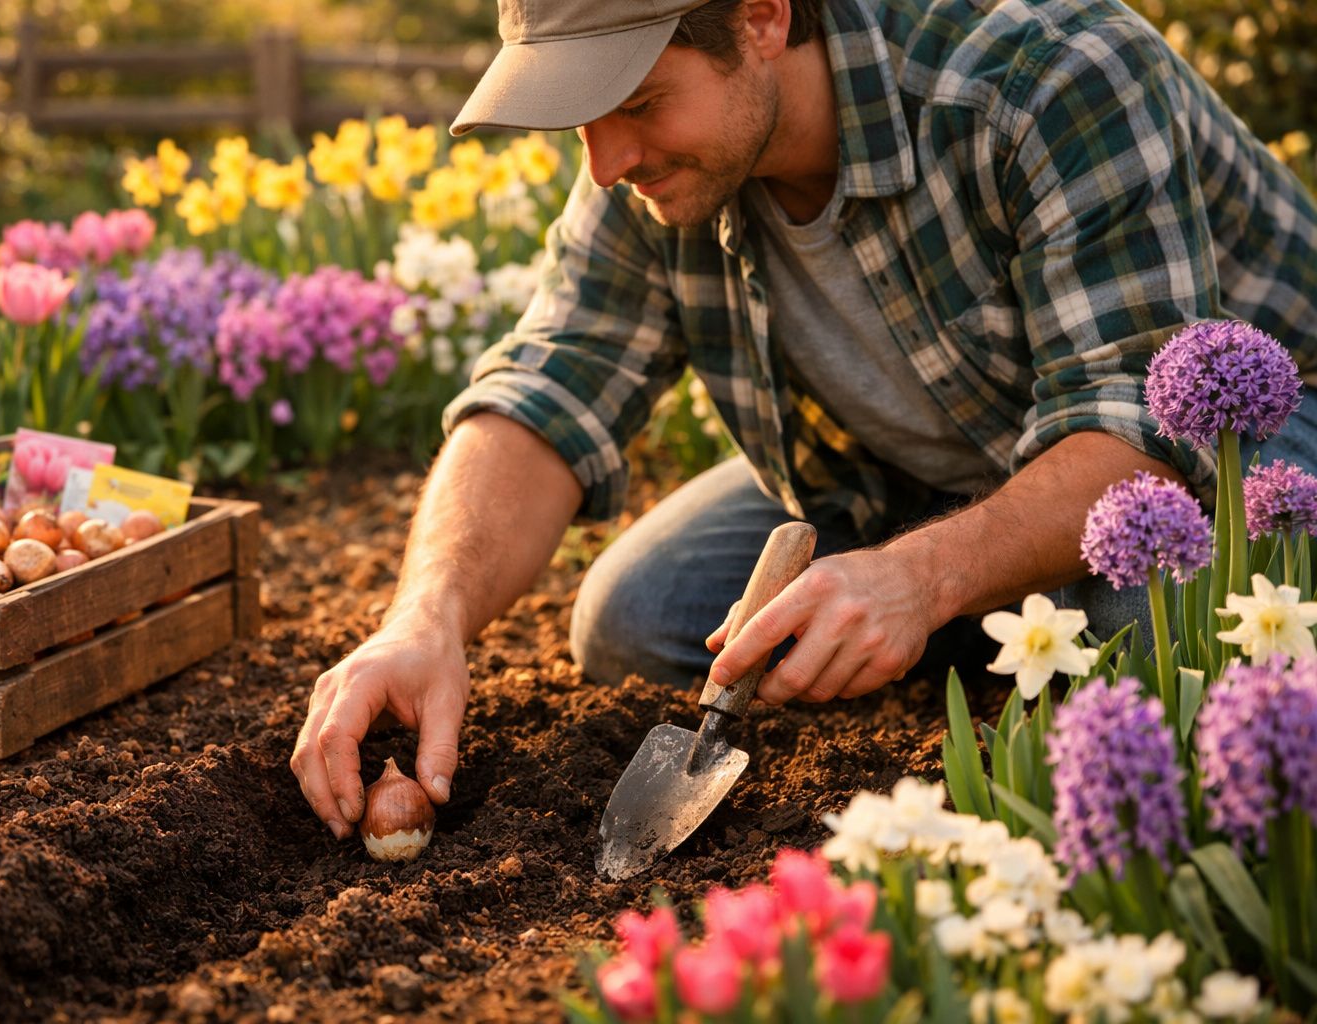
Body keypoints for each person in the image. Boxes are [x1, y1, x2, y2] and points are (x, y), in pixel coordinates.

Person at [291, 0, 1317, 839]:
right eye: (585, 118)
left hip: (1235, 444)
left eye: (640, 101)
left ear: (763, 19)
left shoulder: (1049, 75)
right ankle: (977, 608)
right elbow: (552, 381)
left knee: (1170, 660)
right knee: (636, 618)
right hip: (916, 464)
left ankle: (969, 604)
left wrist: (921, 577)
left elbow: (1137, 431)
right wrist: (424, 618)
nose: (606, 162)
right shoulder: (655, 168)